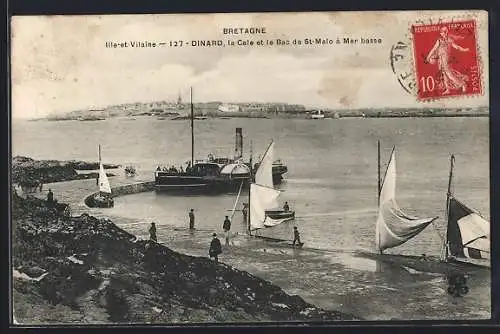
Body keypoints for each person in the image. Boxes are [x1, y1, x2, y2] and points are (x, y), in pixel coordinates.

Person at [425, 26, 470, 95]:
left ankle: (463, 84)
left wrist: (464, 49)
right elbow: (434, 49)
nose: (442, 34)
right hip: (441, 60)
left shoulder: (449, 40)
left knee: (450, 75)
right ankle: (447, 89)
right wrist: (428, 57)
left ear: (446, 32)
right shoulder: (439, 40)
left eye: (443, 32)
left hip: (447, 60)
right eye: (441, 33)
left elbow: (457, 47)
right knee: (444, 75)